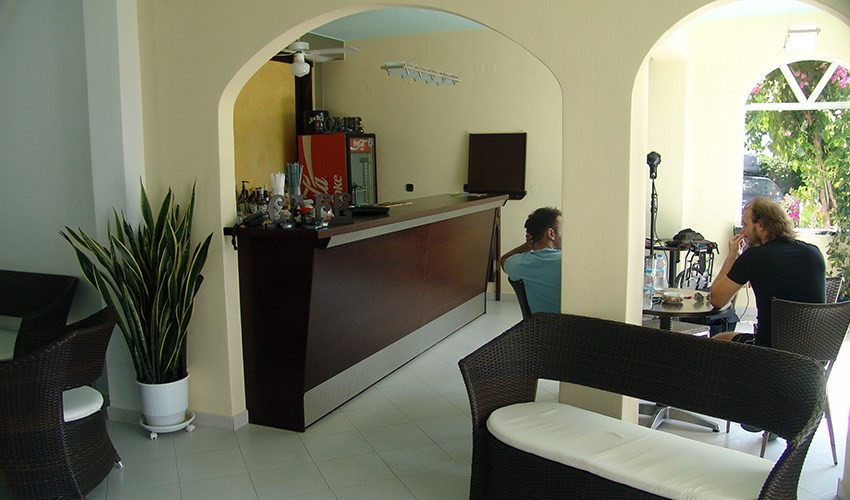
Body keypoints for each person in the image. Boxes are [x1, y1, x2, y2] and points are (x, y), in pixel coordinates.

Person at [710, 196, 825, 348]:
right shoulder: (814, 253)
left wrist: (732, 256)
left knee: (718, 340)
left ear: (761, 225)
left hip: (769, 352)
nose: (743, 231)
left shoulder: (754, 256)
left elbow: (717, 300)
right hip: (812, 352)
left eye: (745, 224)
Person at [499, 207, 562, 314]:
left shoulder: (520, 264)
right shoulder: (566, 261)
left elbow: (503, 260)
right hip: (575, 321)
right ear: (551, 233)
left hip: (539, 322)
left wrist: (527, 245)